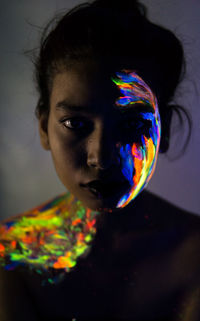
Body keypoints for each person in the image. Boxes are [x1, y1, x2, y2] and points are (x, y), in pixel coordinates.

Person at [0, 0, 199, 320]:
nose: (102, 158)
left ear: (166, 131)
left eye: (133, 125)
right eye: (76, 124)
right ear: (43, 128)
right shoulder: (13, 254)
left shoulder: (194, 255)